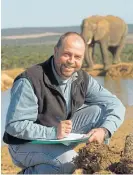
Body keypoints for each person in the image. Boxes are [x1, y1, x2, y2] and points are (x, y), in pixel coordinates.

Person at [3, 32, 125, 174]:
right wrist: (53, 132)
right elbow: (14, 126)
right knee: (69, 161)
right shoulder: (30, 80)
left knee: (100, 111)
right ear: (56, 51)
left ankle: (92, 168)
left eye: (77, 57)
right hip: (23, 145)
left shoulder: (82, 78)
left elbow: (116, 104)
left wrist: (104, 130)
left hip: (57, 137)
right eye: (67, 54)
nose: (71, 61)